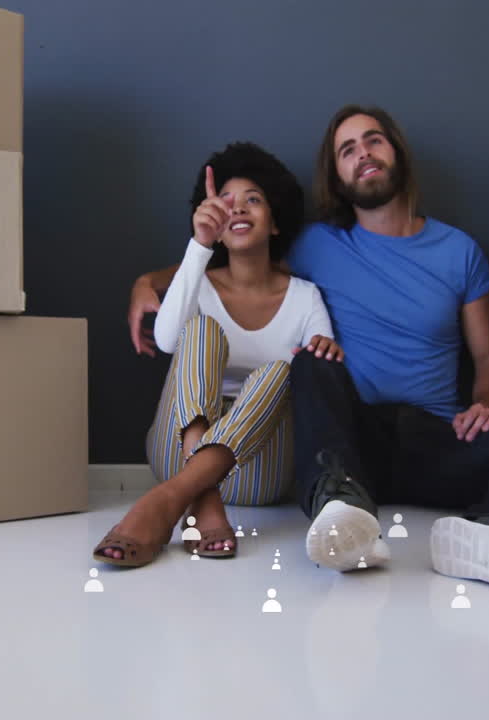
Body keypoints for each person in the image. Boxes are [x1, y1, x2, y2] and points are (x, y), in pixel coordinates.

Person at [128, 106, 489, 593]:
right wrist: (148, 281)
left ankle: (488, 538)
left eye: (373, 141)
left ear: (396, 152)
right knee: (312, 360)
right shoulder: (317, 244)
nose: (363, 155)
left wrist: (484, 406)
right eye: (347, 150)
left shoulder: (458, 251)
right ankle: (342, 510)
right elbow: (239, 256)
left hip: (435, 437)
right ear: (337, 175)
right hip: (347, 437)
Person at [94, 142, 342, 568]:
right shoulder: (199, 282)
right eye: (227, 202)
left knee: (286, 369)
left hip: (258, 468)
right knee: (201, 332)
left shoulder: (305, 298)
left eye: (254, 200)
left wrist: (326, 350)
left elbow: (320, 368)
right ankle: (202, 495)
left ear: (275, 221)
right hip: (176, 447)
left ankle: (169, 499)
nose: (239, 209)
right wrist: (200, 244)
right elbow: (169, 341)